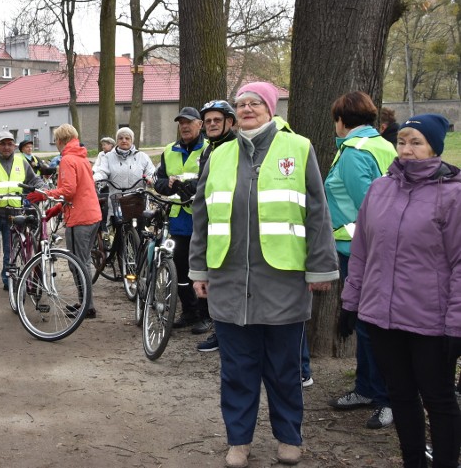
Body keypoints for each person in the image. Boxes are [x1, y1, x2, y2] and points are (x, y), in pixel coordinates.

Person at [189, 81, 339, 468]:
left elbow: (318, 213)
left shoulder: (298, 148)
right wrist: (199, 269)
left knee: (284, 369)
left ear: (271, 108)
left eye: (255, 102)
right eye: (241, 103)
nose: (248, 108)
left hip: (283, 282)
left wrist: (320, 267)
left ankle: (289, 437)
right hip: (229, 281)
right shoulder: (219, 156)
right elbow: (202, 216)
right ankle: (238, 441)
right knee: (236, 371)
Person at [342, 113, 460, 468]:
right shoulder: (380, 188)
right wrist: (351, 301)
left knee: (438, 398)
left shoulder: (453, 196)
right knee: (400, 395)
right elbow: (362, 248)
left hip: (430, 322)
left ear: (434, 149)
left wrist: (456, 324)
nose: (406, 150)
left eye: (417, 143)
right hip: (382, 318)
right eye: (402, 141)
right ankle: (413, 461)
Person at [324, 92, 397, 430]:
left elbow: (369, 208)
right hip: (374, 250)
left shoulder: (354, 153)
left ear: (342, 120)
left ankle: (384, 397)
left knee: (369, 329)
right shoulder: (383, 145)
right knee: (369, 327)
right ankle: (368, 389)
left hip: (359, 252)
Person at [26, 124, 101, 317]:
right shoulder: (82, 157)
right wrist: (58, 208)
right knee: (84, 261)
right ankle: (86, 303)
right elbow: (83, 190)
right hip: (92, 215)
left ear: (59, 140)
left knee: (77, 263)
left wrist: (44, 194)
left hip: (80, 218)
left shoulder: (68, 159)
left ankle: (87, 306)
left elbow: (69, 190)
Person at [185, 100, 238, 353]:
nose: (212, 124)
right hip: (211, 224)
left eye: (218, 120)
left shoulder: (235, 147)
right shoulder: (210, 149)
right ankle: (220, 331)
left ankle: (225, 334)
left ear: (230, 122)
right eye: (208, 121)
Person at [154, 107, 208, 333]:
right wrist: (166, 185)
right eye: (181, 123)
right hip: (177, 220)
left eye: (189, 122)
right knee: (180, 269)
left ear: (200, 125)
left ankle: (205, 316)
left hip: (201, 219)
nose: (184, 127)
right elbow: (159, 182)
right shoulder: (169, 150)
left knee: (202, 270)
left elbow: (210, 180)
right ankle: (188, 311)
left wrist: (190, 186)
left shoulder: (209, 148)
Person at [0, 131, 44, 293]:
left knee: (10, 248)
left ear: (14, 146)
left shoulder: (21, 162)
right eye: (2, 144)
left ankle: (8, 280)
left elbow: (34, 179)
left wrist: (42, 187)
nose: (6, 147)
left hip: (15, 212)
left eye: (9, 144)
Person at [93, 127, 155, 220]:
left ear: (132, 140)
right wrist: (95, 179)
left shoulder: (142, 157)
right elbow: (102, 171)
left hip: (138, 202)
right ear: (117, 141)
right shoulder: (108, 157)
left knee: (140, 232)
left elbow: (151, 173)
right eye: (120, 138)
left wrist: (151, 179)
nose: (124, 140)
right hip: (117, 203)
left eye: (127, 138)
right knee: (118, 232)